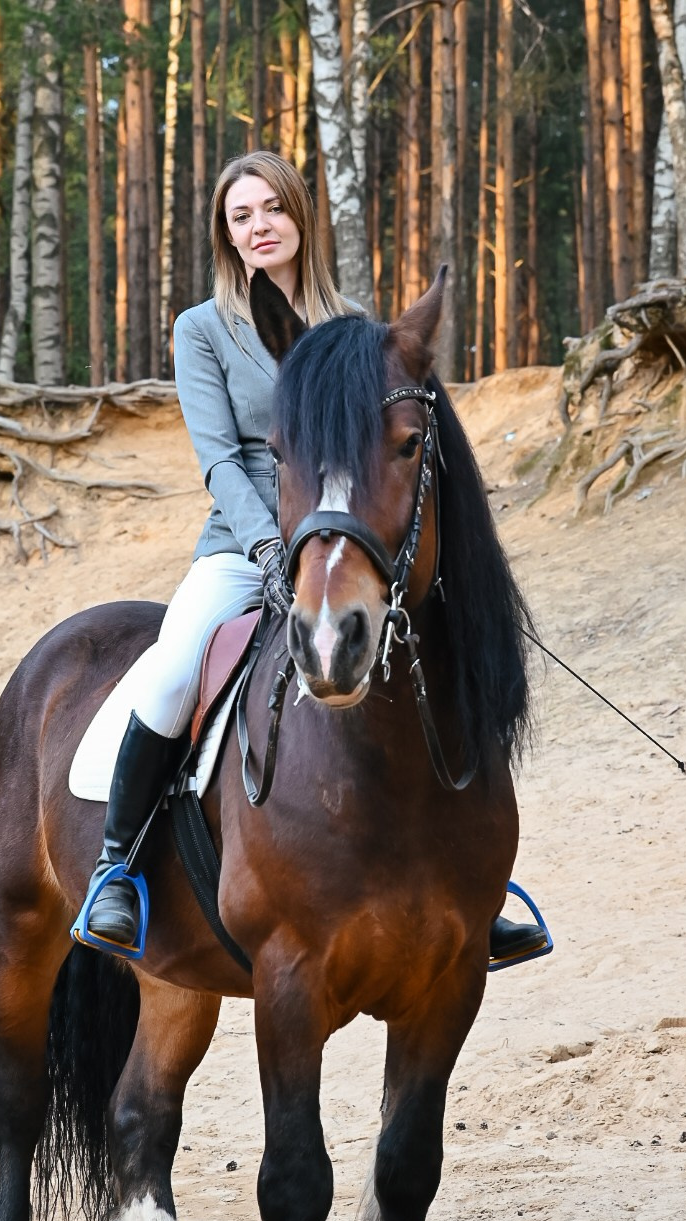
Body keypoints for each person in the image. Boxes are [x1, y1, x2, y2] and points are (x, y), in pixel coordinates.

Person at [76, 150, 545, 968]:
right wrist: (269, 544)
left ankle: (477, 882)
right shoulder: (202, 330)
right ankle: (116, 869)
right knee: (174, 665)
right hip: (246, 543)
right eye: (239, 217)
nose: (258, 228)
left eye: (271, 211)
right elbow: (220, 459)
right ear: (226, 235)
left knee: (434, 656)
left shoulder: (355, 323)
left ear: (299, 215)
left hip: (349, 541)